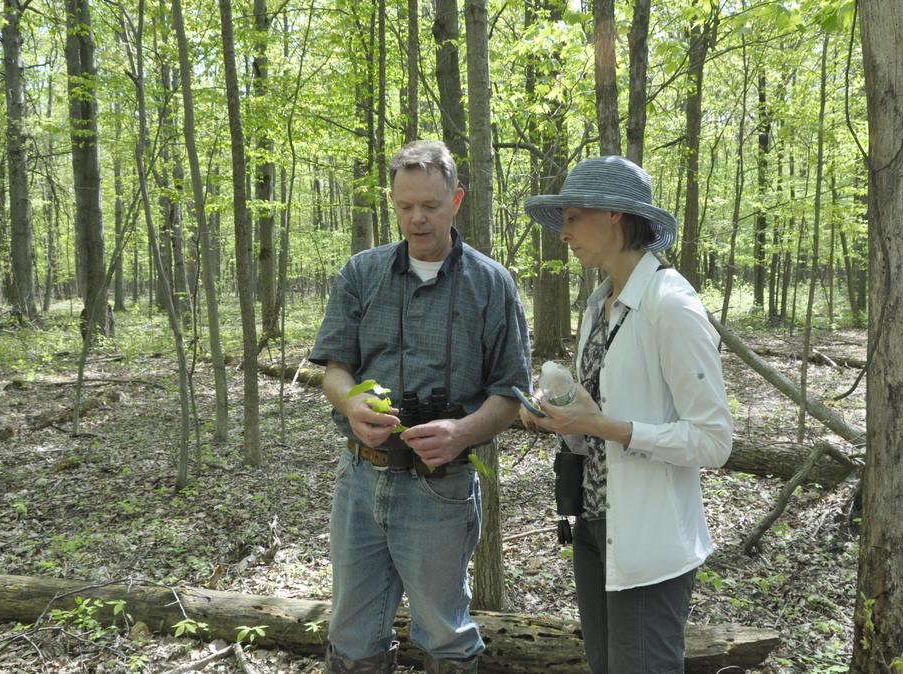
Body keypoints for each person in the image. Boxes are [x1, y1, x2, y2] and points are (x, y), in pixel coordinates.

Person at [310, 139, 532, 674]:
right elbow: (334, 368)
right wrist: (353, 404)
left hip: (441, 486)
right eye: (405, 205)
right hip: (360, 480)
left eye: (429, 206)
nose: (416, 218)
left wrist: (461, 432)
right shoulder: (362, 274)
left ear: (455, 201)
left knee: (444, 633)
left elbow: (511, 394)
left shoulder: (491, 284)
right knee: (350, 630)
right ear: (393, 202)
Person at [521, 156, 733, 673]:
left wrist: (605, 427)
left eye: (573, 217)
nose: (564, 233)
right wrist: (559, 421)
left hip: (649, 539)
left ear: (615, 214)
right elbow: (595, 418)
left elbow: (713, 441)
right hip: (595, 527)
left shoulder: (671, 305)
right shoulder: (599, 304)